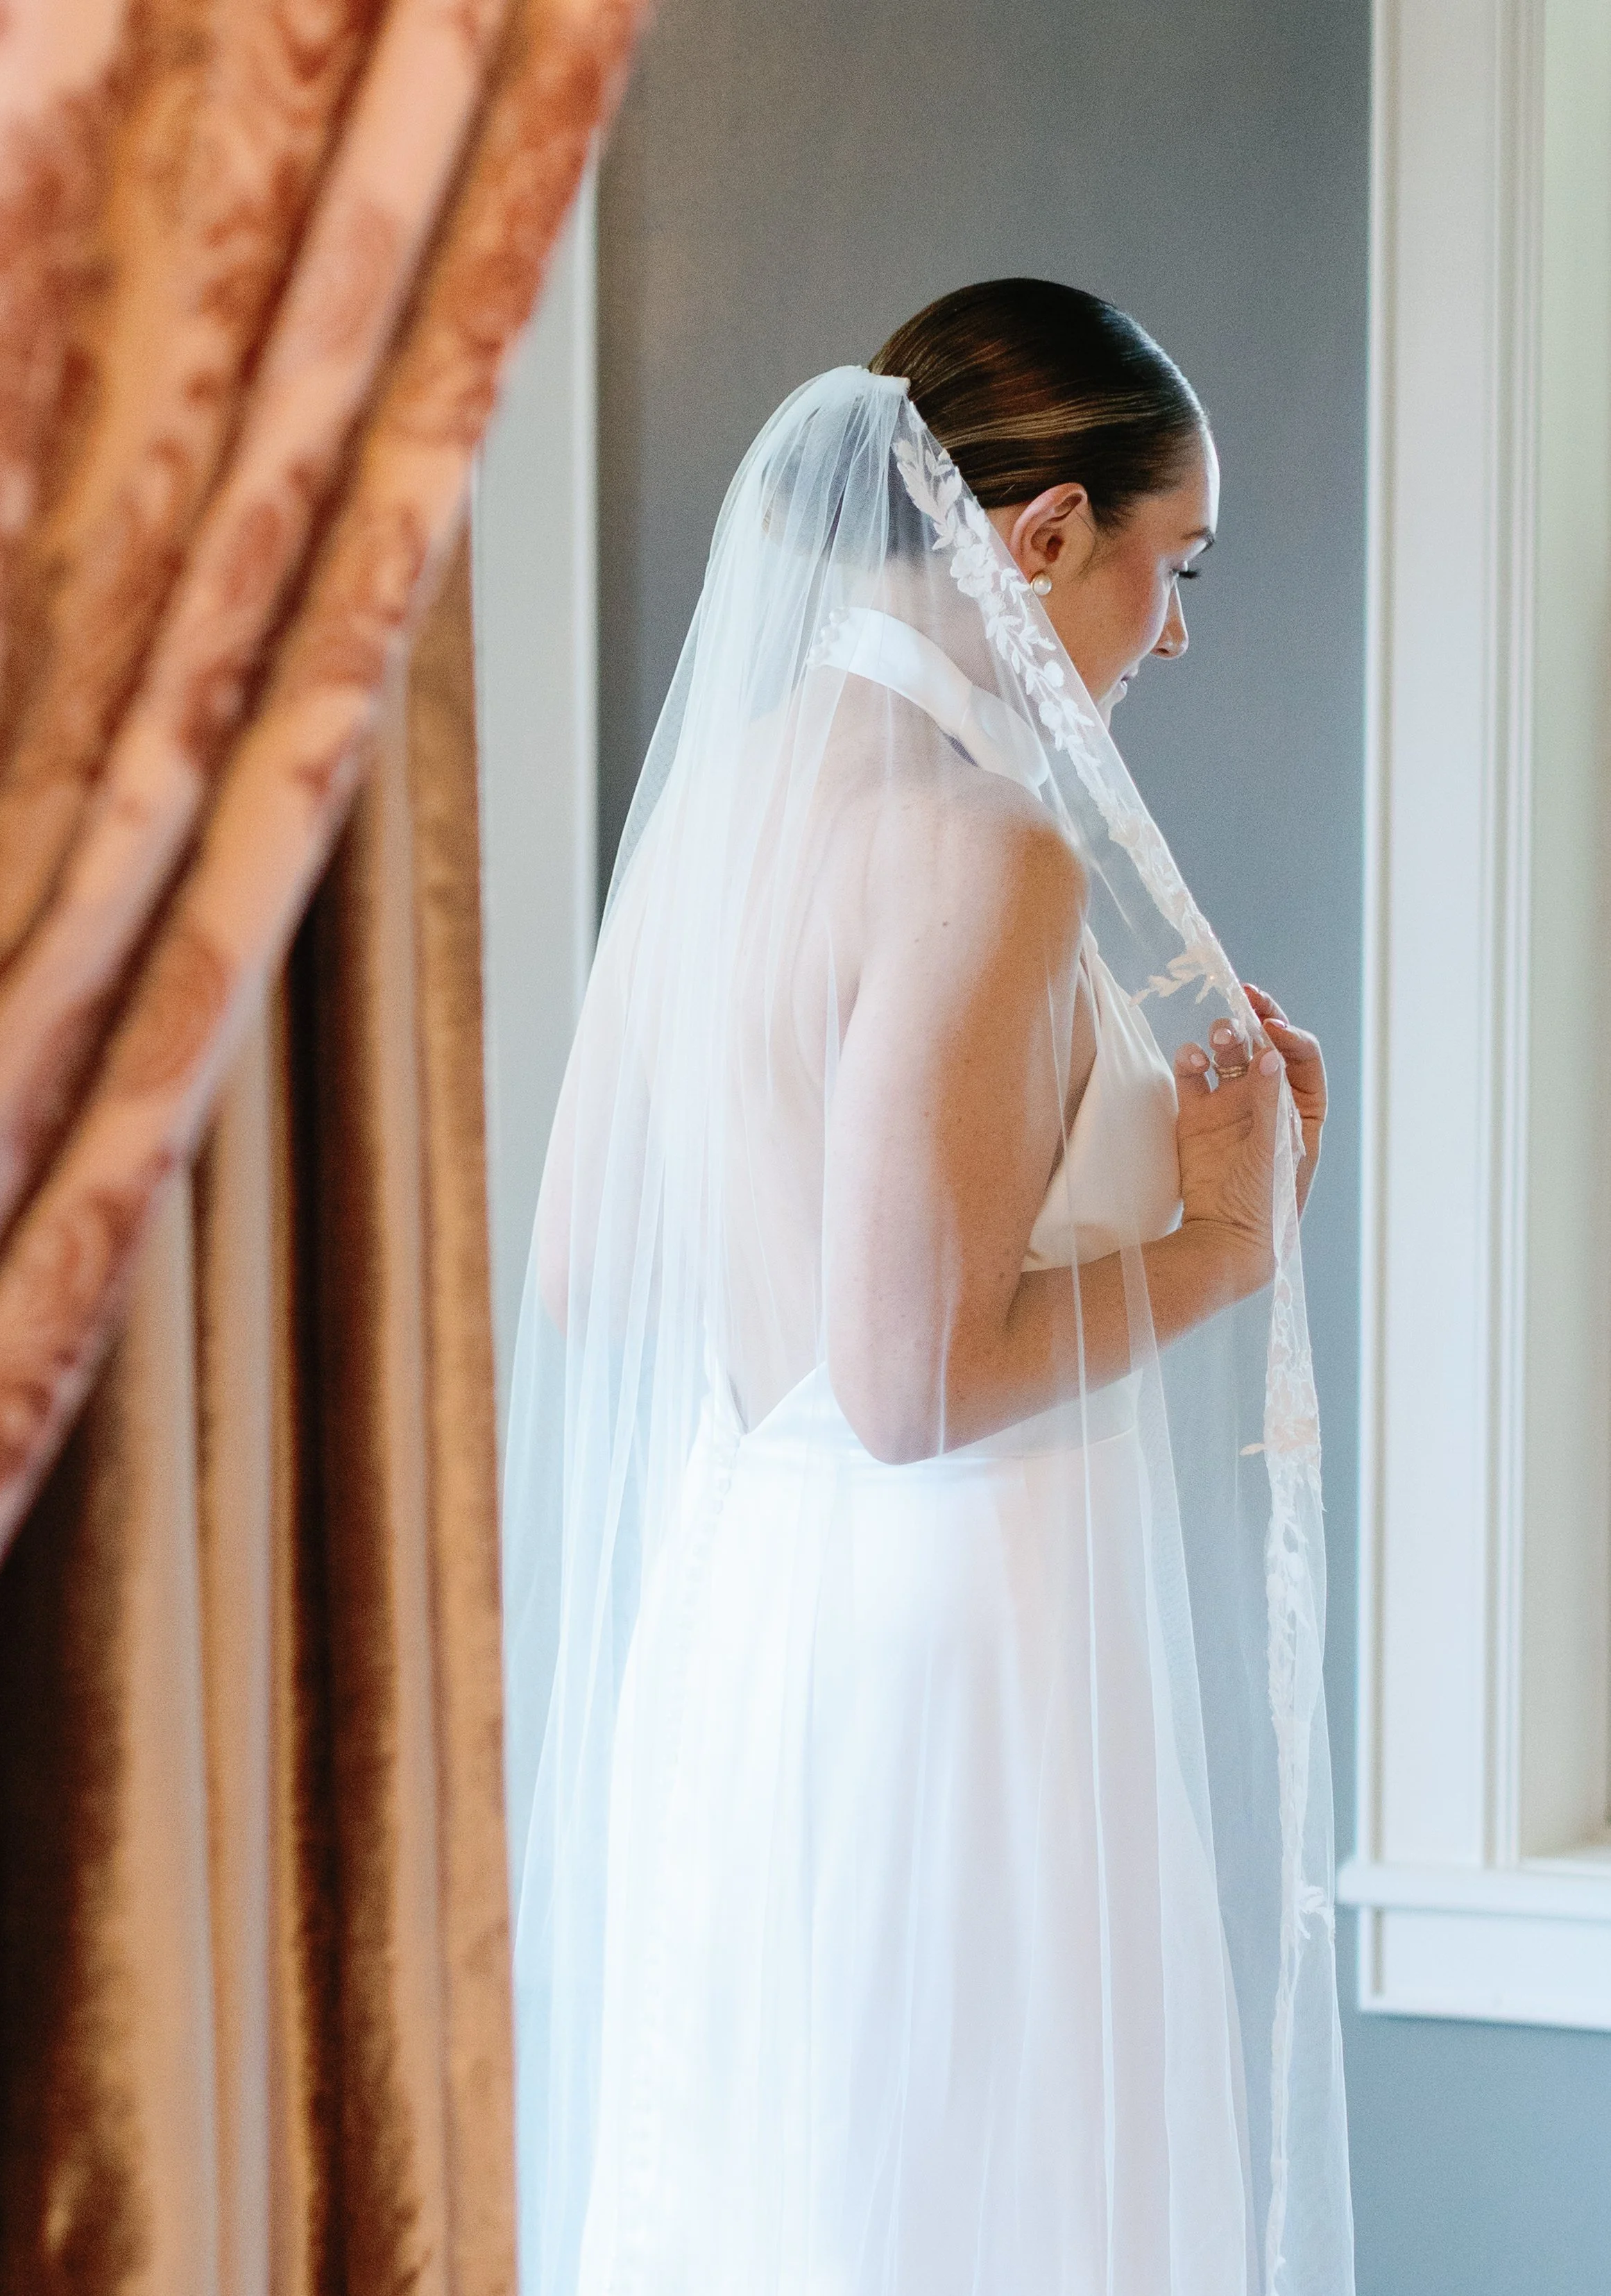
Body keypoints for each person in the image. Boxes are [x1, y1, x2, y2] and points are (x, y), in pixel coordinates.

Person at [503, 280, 1354, 2296]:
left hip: (748, 1616)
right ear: (1047, 531)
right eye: (1176, 566)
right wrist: (1217, 1243)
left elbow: (576, 1267)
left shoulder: (729, 795)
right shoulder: (989, 845)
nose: (1176, 629)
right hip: (960, 1635)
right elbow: (909, 1384)